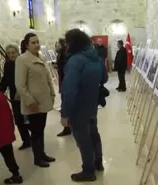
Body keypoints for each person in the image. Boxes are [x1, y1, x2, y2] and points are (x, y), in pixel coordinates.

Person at [61, 29, 108, 182]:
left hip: (78, 107)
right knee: (93, 134)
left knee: (83, 139)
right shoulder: (96, 57)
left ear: (73, 43)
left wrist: (65, 113)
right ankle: (98, 163)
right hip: (92, 103)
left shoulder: (76, 60)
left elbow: (69, 89)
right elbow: (105, 78)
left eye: (67, 42)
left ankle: (88, 171)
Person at [15, 33, 56, 168]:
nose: (37, 44)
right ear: (26, 45)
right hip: (33, 103)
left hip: (43, 100)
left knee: (41, 128)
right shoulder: (22, 59)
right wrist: (30, 101)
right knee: (35, 130)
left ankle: (42, 154)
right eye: (33, 42)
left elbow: (47, 77)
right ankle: (37, 158)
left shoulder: (42, 57)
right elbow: (20, 84)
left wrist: (52, 92)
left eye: (38, 41)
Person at [0, 44, 31, 150]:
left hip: (26, 94)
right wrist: (0, 91)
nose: (11, 55)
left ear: (17, 52)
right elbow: (6, 78)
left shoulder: (23, 62)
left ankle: (35, 138)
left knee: (30, 118)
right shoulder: (7, 65)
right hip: (15, 96)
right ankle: (26, 141)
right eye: (9, 53)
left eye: (13, 52)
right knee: (18, 119)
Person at [55, 38, 71, 137]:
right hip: (63, 81)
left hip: (66, 83)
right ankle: (68, 126)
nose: (56, 45)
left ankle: (67, 127)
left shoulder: (65, 55)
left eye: (57, 44)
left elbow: (66, 70)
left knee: (66, 105)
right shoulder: (61, 54)